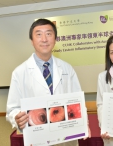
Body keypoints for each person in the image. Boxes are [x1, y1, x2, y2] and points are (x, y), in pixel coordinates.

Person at [6, 18, 91, 146]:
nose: (44, 39)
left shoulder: (67, 68)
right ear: (32, 41)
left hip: (66, 136)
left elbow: (78, 101)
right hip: (37, 137)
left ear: (55, 39)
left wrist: (84, 123)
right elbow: (12, 109)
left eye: (49, 34)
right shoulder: (19, 72)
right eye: (39, 34)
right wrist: (17, 118)